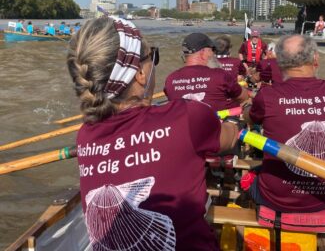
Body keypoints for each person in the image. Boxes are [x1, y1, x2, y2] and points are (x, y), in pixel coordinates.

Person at [67, 17, 239, 250]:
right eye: (152, 57)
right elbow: (230, 138)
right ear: (139, 73)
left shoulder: (85, 135)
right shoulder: (186, 115)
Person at [244, 35, 325, 212]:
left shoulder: (268, 95)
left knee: (247, 178)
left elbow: (251, 120)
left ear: (280, 62)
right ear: (316, 58)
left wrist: (247, 108)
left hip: (277, 198)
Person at [164, 33, 249, 111]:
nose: (213, 53)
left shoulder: (170, 79)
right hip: (215, 124)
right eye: (212, 49)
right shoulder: (219, 74)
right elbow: (243, 97)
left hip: (183, 126)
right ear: (202, 52)